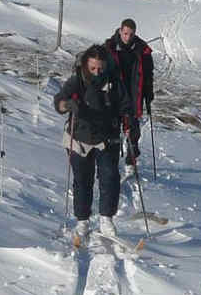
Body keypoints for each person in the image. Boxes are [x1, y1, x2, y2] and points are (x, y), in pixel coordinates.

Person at [54, 44, 135, 245]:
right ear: (85, 65)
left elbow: (126, 106)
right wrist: (68, 105)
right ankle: (82, 221)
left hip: (107, 137)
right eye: (92, 68)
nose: (97, 72)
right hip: (80, 137)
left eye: (100, 68)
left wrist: (128, 122)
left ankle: (106, 219)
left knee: (110, 177)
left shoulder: (114, 82)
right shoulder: (77, 81)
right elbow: (59, 102)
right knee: (82, 180)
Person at [103, 18, 154, 164]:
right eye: (125, 33)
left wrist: (149, 94)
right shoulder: (109, 47)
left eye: (131, 34)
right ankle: (110, 157)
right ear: (120, 31)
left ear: (135, 34)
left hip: (133, 93)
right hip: (115, 93)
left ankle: (132, 153)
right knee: (112, 126)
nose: (128, 37)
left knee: (132, 126)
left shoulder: (142, 50)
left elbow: (148, 75)